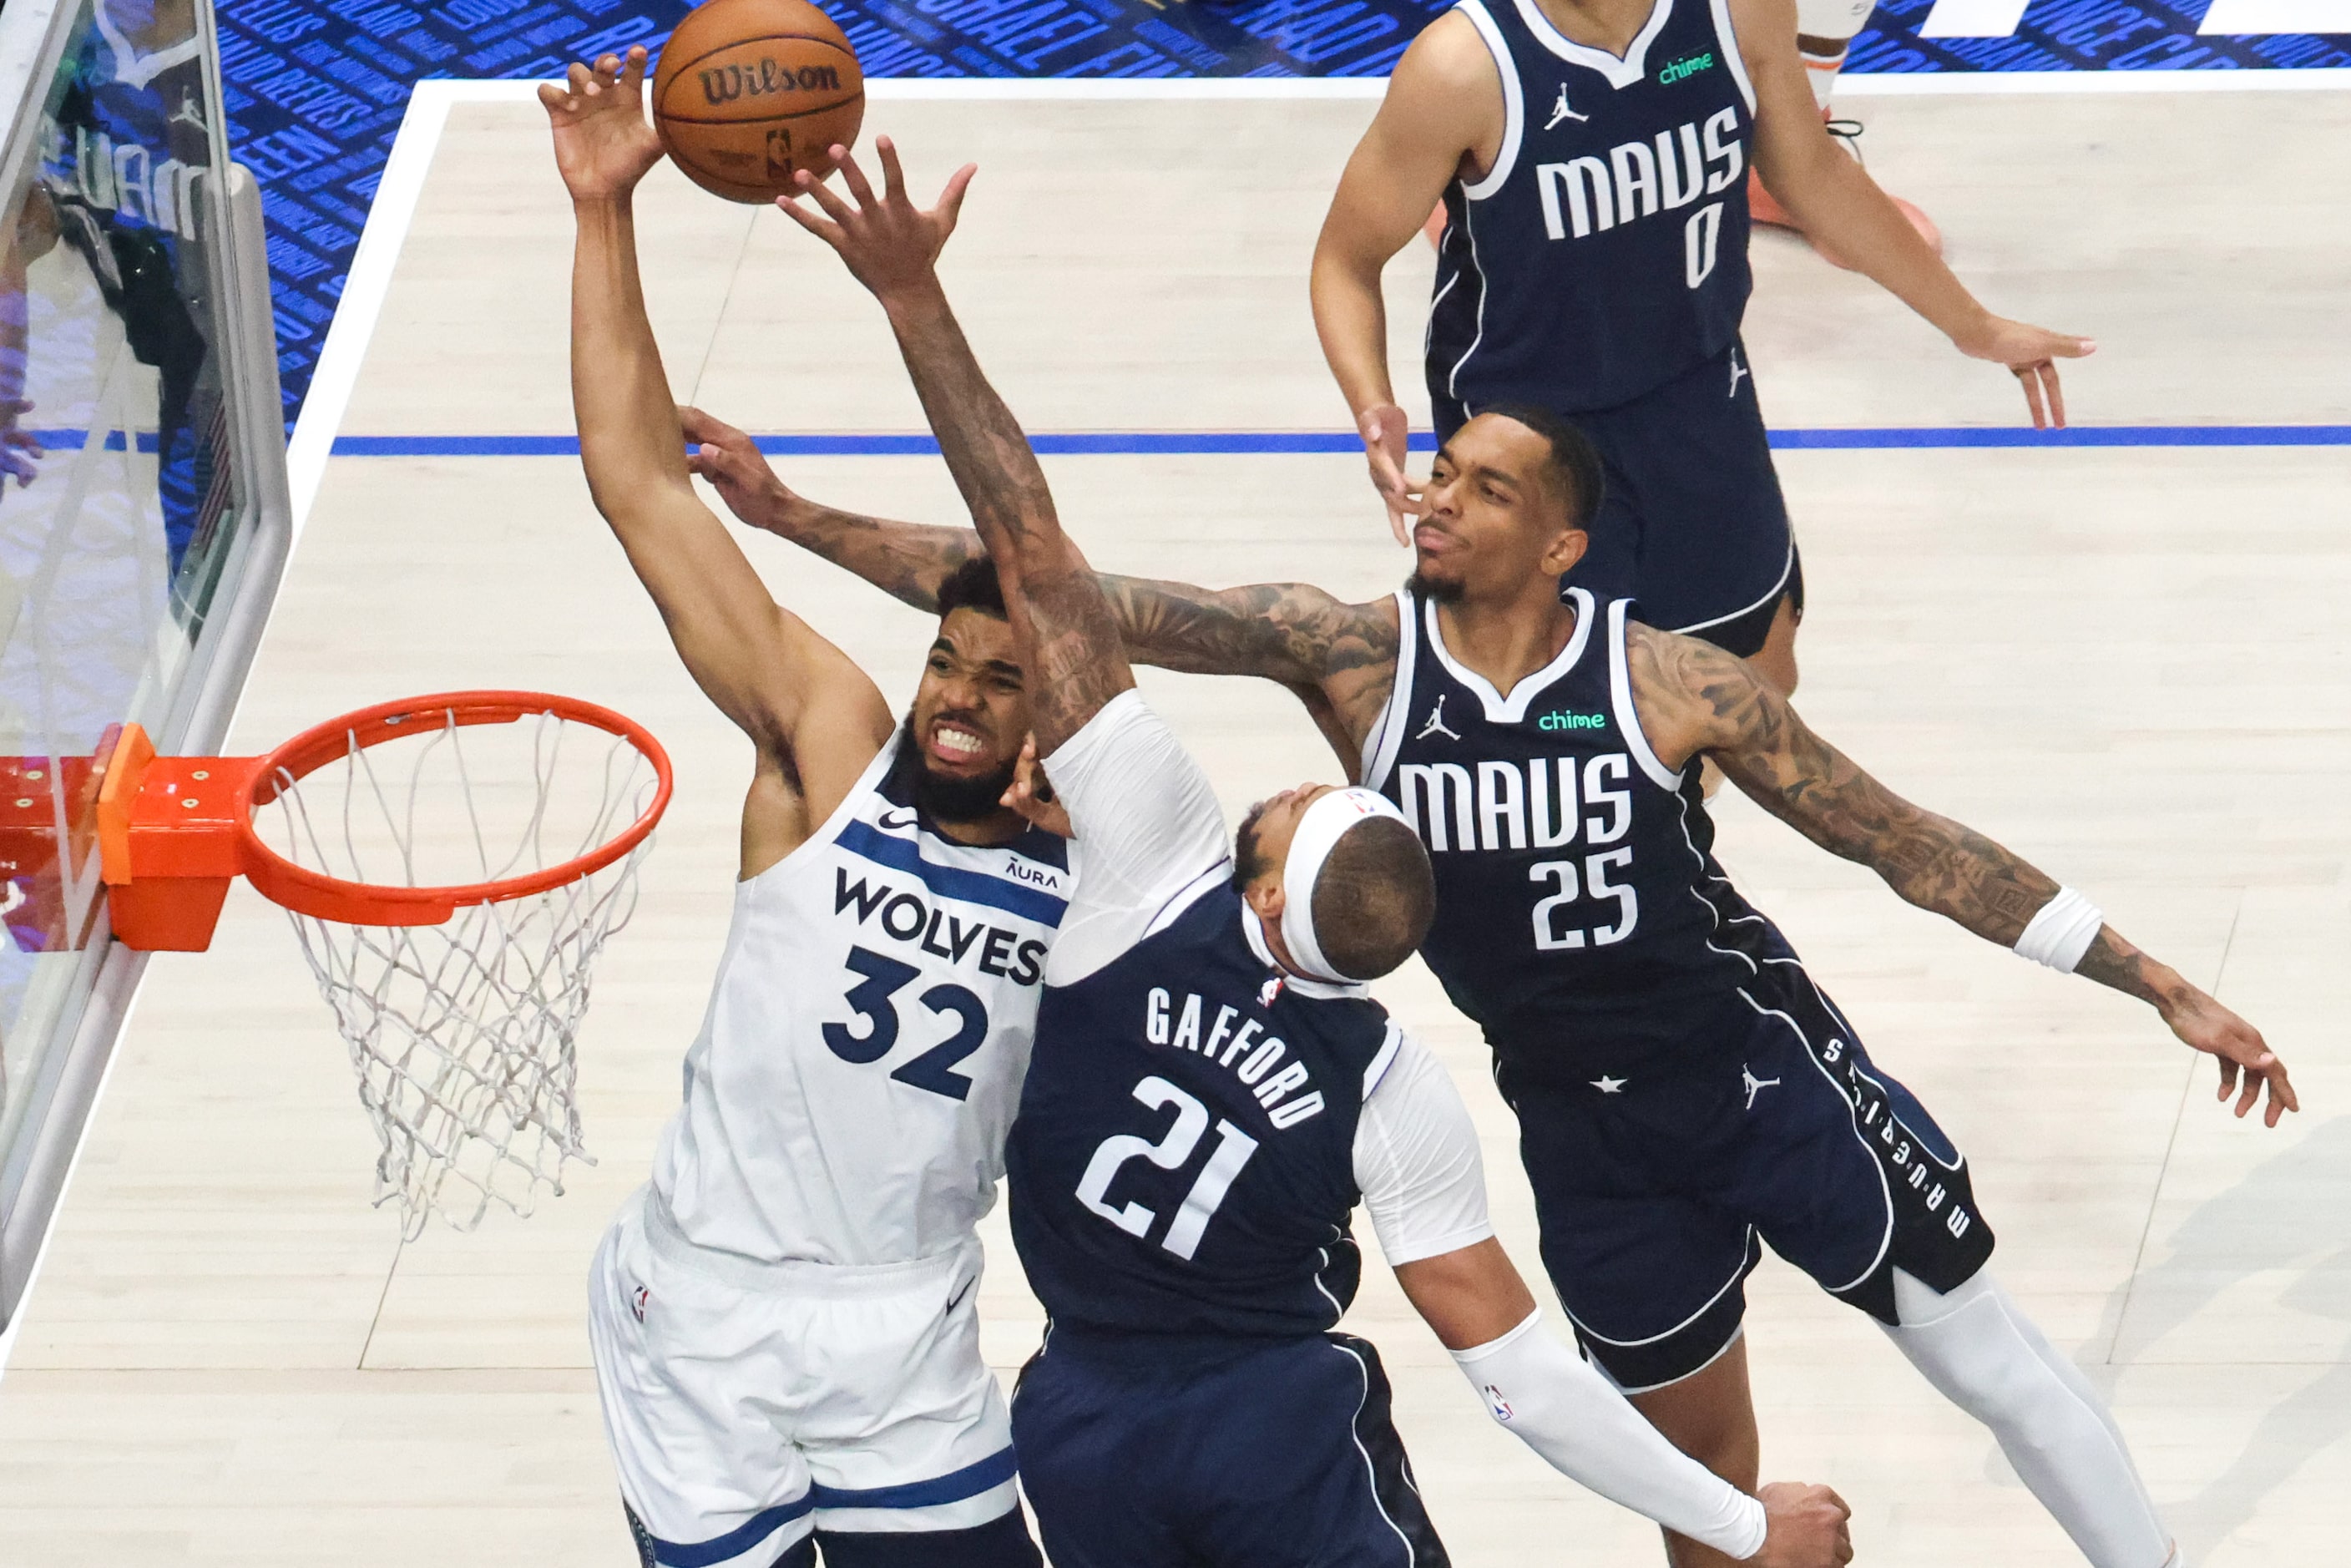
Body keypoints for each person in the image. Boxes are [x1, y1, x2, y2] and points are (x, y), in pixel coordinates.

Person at [693, 401, 2293, 1568]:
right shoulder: (1353, 657)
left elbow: (1903, 842)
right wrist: (794, 517)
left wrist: (2151, 979)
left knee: (1981, 1351)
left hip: (1753, 1069)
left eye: (1481, 483)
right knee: (1698, 1470)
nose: (1436, 496)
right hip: (1581, 1134)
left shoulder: (1674, 682)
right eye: (1439, 471)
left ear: (1562, 537)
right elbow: (1066, 607)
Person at [774, 130, 1857, 1568]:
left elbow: (1034, 562)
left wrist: (913, 305)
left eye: (1282, 804)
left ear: (1265, 881)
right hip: (1275, 1432)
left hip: (1082, 1422)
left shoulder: (1140, 890)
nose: (1275, 785)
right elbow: (1521, 1375)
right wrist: (1739, 1520)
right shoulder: (1384, 1076)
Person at [544, 51, 1056, 1568]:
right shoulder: (831, 754)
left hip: (903, 1318)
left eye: (999, 678)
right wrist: (602, 213)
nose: (954, 695)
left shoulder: (1097, 855)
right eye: (944, 663)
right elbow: (638, 482)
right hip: (696, 1306)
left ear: (1062, 705)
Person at [1310, 0, 2091, 696]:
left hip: (1698, 391)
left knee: (1758, 680)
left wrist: (1971, 325)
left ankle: (1672, 833)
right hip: (1527, 444)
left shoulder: (1739, 11)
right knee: (1555, 712)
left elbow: (1812, 172)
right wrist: (1371, 399)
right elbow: (1345, 261)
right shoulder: (1460, 67)